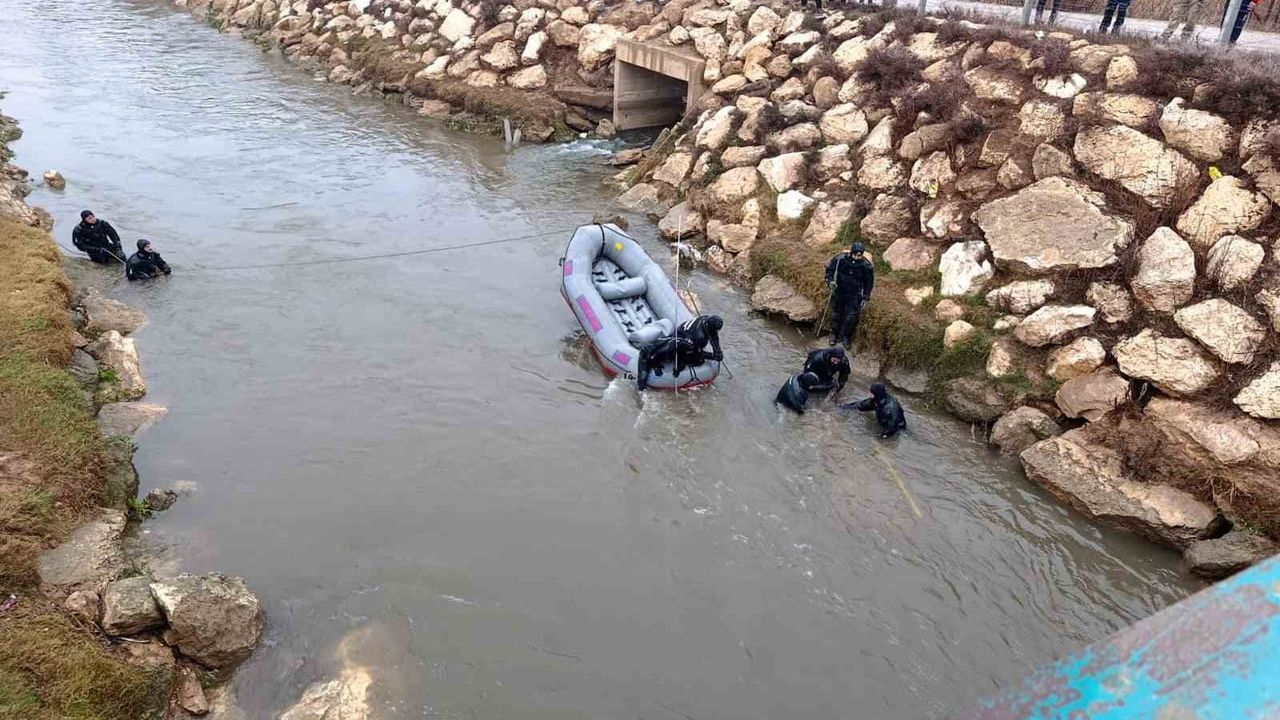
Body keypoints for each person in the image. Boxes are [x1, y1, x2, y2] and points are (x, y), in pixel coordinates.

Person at [824, 241, 874, 348]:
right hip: (839, 291)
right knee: (837, 314)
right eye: (855, 254)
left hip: (854, 294)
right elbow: (829, 271)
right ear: (851, 253)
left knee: (851, 317)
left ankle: (846, 337)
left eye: (859, 255)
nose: (857, 257)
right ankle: (834, 334)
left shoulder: (866, 266)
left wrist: (866, 297)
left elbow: (869, 283)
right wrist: (830, 281)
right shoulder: (840, 259)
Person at [841, 383, 907, 438]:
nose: (870, 394)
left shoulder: (887, 409)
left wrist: (881, 437)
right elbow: (862, 405)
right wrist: (844, 407)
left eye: (872, 393)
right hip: (887, 424)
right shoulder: (879, 400)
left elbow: (892, 428)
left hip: (897, 429)